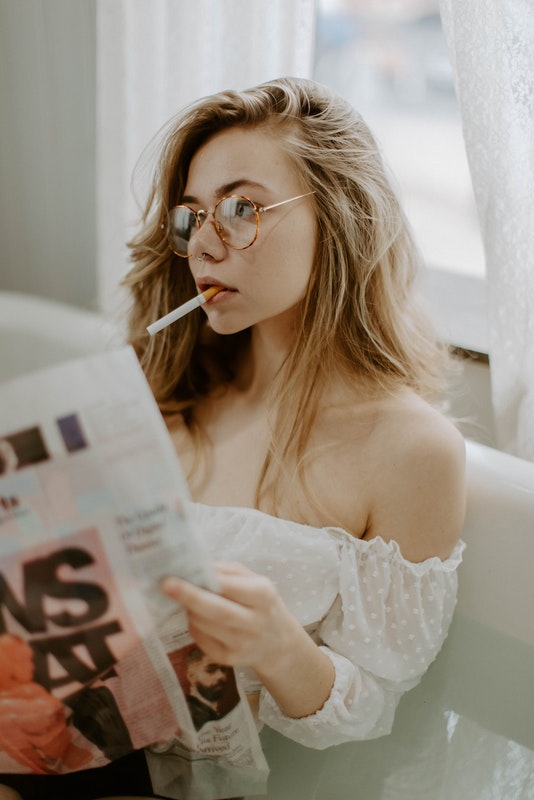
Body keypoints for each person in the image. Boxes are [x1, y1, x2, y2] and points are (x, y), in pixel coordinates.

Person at [0, 76, 466, 798]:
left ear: (339, 217)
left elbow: (378, 723)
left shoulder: (411, 450)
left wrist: (280, 646)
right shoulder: (165, 400)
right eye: (191, 218)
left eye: (242, 209)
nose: (205, 245)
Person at [183, 646, 235, 731]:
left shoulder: (212, 711)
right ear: (192, 677)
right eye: (211, 669)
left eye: (223, 669)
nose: (221, 676)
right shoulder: (187, 713)